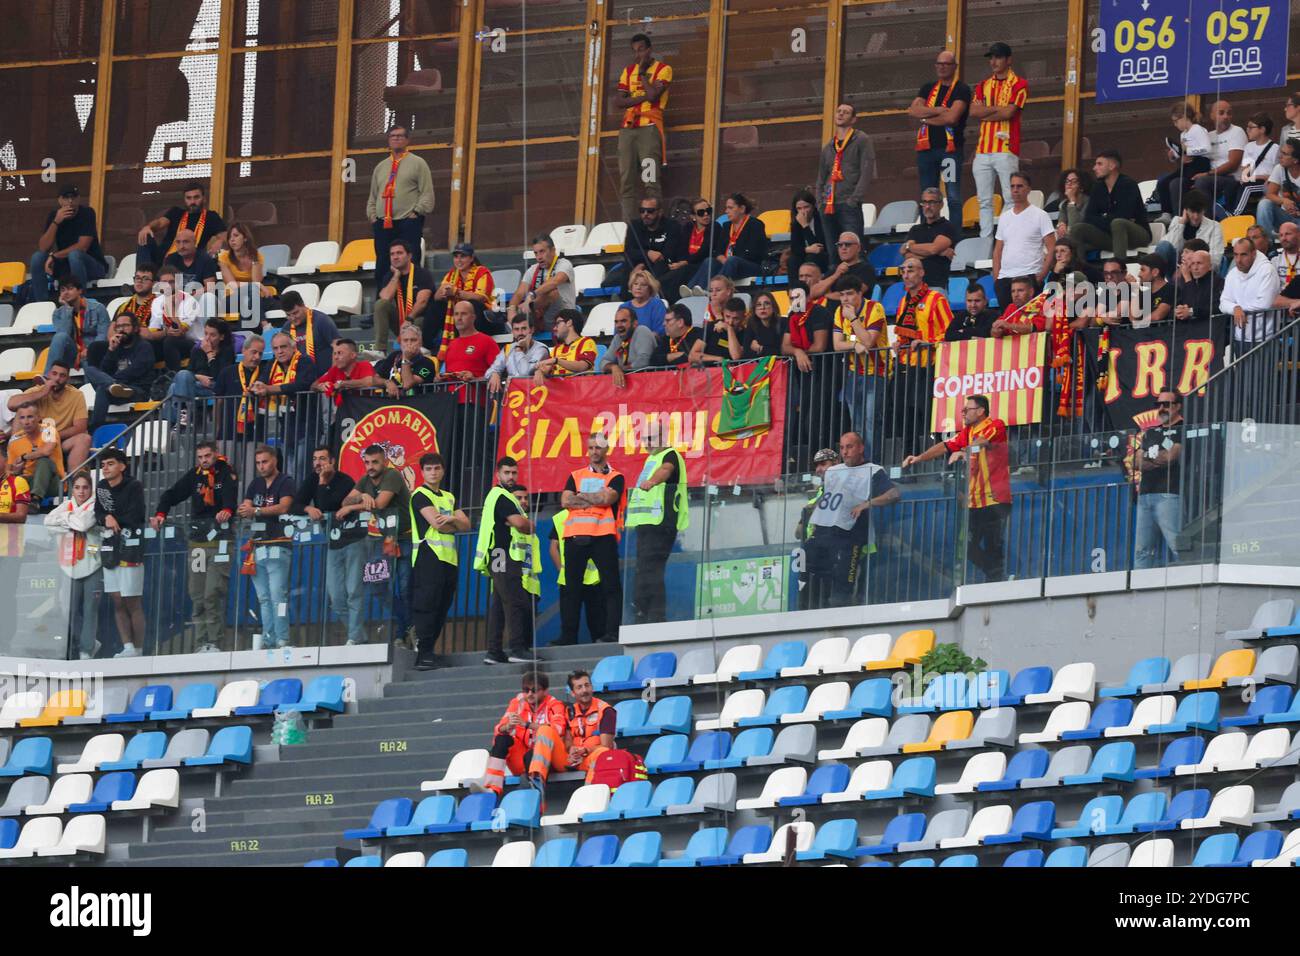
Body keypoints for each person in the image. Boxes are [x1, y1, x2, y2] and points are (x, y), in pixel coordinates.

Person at [903, 394, 1011, 582]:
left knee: (994, 547)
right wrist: (918, 458)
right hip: (973, 502)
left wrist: (963, 451)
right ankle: (996, 578)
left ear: (980, 411)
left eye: (966, 409)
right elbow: (945, 446)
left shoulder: (996, 425)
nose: (962, 413)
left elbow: (982, 442)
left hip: (995, 499)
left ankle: (995, 582)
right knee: (967, 548)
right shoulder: (967, 432)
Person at [151, 441, 237, 653]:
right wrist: (161, 513)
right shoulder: (194, 475)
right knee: (197, 594)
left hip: (221, 542)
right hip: (197, 542)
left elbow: (231, 498)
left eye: (207, 456)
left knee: (212, 592)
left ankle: (215, 642)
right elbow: (171, 494)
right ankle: (201, 643)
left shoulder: (226, 472)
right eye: (200, 457)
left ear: (215, 455)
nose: (204, 461)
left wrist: (226, 509)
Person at [805, 431, 899, 608]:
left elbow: (893, 494)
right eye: (841, 448)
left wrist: (867, 504)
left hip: (850, 537)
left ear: (861, 448)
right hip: (822, 533)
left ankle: (840, 624)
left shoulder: (874, 470)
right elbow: (825, 497)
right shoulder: (832, 471)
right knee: (808, 574)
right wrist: (813, 508)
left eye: (849, 447)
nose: (845, 452)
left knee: (843, 585)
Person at [292, 446, 366, 645]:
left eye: (322, 459)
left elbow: (331, 504)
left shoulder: (345, 481)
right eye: (315, 459)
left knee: (353, 592)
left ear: (332, 462)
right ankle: (359, 635)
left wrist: (323, 483)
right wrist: (307, 507)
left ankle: (354, 637)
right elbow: (294, 504)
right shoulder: (311, 479)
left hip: (354, 540)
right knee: (336, 596)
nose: (318, 463)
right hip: (333, 543)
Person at [474, 456, 542, 665]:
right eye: (507, 473)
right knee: (515, 600)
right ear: (498, 474)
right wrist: (529, 524)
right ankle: (517, 648)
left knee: (499, 604)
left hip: (496, 555)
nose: (511, 477)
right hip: (503, 554)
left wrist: (521, 523)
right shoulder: (502, 496)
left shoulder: (497, 496)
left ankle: (494, 651)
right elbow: (520, 523)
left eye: (514, 473)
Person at [559, 434, 625, 643]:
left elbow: (607, 499)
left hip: (603, 535)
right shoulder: (575, 474)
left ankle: (612, 633)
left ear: (606, 450)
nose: (594, 452)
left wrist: (580, 496)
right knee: (571, 589)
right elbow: (565, 501)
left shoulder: (616, 476)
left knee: (611, 587)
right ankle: (568, 637)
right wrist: (594, 497)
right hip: (574, 535)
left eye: (598, 448)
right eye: (590, 448)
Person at [344, 444, 411, 644]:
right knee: (377, 584)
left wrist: (355, 505)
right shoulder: (365, 480)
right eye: (367, 462)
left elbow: (380, 503)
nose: (371, 466)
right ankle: (407, 624)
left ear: (385, 462)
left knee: (406, 588)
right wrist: (360, 495)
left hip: (406, 538)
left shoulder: (393, 475)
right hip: (386, 540)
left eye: (375, 462)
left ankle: (403, 632)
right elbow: (344, 501)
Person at [408, 453, 469, 669]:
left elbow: (467, 525)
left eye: (437, 468)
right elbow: (437, 524)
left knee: (443, 605)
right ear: (422, 472)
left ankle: (429, 650)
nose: (433, 472)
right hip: (428, 556)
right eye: (429, 469)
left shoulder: (449, 497)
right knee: (427, 604)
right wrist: (454, 521)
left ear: (443, 470)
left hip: (449, 558)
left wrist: (452, 519)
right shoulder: (420, 495)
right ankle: (423, 652)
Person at [237, 445, 296, 650]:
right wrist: (249, 510)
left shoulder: (286, 482)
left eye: (265, 461)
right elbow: (245, 509)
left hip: (279, 544)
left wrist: (257, 511)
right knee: (263, 598)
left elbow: (284, 507)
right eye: (258, 463)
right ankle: (269, 638)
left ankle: (282, 638)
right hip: (258, 546)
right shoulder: (255, 484)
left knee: (278, 595)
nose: (261, 466)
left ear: (275, 461)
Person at [626, 437, 688, 626]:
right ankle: (643, 614)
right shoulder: (651, 458)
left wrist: (652, 481)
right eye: (645, 439)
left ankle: (654, 616)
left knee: (652, 570)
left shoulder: (669, 454)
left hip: (661, 522)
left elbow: (666, 470)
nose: (647, 442)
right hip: (646, 524)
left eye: (652, 438)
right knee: (644, 570)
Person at [969, 42, 1028, 239]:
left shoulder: (1019, 84)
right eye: (991, 57)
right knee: (984, 201)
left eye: (998, 57)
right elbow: (974, 111)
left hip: (1006, 148)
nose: (993, 61)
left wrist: (986, 112)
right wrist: (996, 111)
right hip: (983, 150)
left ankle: (1005, 237)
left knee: (1010, 197)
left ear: (1008, 59)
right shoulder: (982, 85)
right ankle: (986, 240)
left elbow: (1010, 112)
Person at [367, 124, 435, 295]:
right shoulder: (381, 167)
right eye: (392, 136)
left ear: (407, 140)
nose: (396, 139)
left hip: (408, 221)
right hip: (383, 223)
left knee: (411, 264)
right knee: (382, 264)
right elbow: (373, 195)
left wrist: (416, 213)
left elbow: (426, 193)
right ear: (388, 140)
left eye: (400, 136)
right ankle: (381, 303)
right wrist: (373, 216)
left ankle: (411, 300)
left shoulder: (418, 163)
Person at [480, 671, 569, 796]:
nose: (529, 694)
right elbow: (498, 729)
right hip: (524, 759)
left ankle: (535, 787)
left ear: (545, 691)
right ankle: (492, 789)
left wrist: (527, 724)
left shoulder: (555, 705)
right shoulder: (517, 703)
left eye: (534, 690)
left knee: (543, 735)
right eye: (526, 690)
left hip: (552, 761)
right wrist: (508, 726)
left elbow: (557, 730)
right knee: (502, 739)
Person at [614, 33, 672, 223]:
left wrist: (642, 74)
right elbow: (619, 102)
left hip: (649, 129)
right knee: (626, 181)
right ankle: (630, 227)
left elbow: (654, 96)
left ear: (649, 49)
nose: (638, 55)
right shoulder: (627, 70)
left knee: (650, 179)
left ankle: (654, 223)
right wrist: (644, 96)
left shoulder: (664, 69)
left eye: (641, 50)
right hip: (628, 129)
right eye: (635, 51)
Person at [95, 448, 147, 658]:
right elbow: (97, 512)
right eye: (103, 465)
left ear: (122, 466)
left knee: (131, 600)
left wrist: (114, 518)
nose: (105, 468)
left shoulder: (134, 486)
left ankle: (140, 649)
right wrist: (106, 517)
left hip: (131, 547)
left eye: (110, 464)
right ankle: (128, 647)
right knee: (116, 599)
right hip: (109, 546)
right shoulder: (100, 487)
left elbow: (136, 515)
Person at [44, 472, 102, 660]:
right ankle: (85, 642)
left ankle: (86, 649)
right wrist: (72, 517)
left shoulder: (94, 504)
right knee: (67, 609)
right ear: (72, 489)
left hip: (92, 563)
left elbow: (84, 524)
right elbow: (47, 522)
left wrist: (65, 519)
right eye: (77, 487)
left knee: (89, 608)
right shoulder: (67, 504)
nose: (81, 491)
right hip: (68, 565)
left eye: (85, 487)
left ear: (90, 489)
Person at [910, 49, 970, 220]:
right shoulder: (927, 88)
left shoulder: (961, 89)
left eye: (946, 64)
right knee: (927, 196)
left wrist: (925, 117)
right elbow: (914, 110)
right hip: (926, 151)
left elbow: (951, 117)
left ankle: (955, 236)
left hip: (949, 150)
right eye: (939, 63)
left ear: (954, 67)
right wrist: (937, 111)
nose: (942, 67)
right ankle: (927, 232)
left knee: (952, 195)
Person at [831, 275, 887, 457]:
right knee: (856, 423)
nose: (845, 299)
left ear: (860, 293)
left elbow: (869, 341)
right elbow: (837, 344)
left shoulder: (875, 308)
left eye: (849, 294)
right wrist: (854, 345)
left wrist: (854, 319)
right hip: (853, 373)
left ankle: (872, 463)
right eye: (842, 295)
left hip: (877, 371)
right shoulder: (839, 312)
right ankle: (858, 463)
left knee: (871, 422)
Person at [533, 669, 616, 784]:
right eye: (579, 687)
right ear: (572, 692)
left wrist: (586, 750)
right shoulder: (569, 710)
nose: (584, 690)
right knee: (544, 730)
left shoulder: (606, 710)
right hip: (570, 760)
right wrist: (571, 750)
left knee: (603, 752)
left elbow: (607, 745)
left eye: (587, 685)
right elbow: (567, 742)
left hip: (590, 758)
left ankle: (589, 793)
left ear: (592, 687)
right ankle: (537, 777)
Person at [27, 185, 108, 302]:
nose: (70, 201)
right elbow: (43, 247)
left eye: (73, 197)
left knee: (75, 255)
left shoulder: (87, 213)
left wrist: (54, 256)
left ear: (79, 199)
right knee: (37, 257)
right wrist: (56, 222)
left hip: (91, 265)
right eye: (66, 198)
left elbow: (82, 246)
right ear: (59, 200)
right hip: (66, 267)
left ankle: (80, 302)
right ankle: (41, 304)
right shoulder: (54, 215)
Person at [1133, 390, 1184, 569]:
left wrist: (1147, 458)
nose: (1161, 408)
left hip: (1169, 494)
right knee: (1141, 550)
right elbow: (1135, 462)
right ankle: (1140, 591)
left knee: (1177, 545)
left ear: (1178, 406)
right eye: (1158, 405)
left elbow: (1170, 458)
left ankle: (1186, 584)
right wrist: (1154, 460)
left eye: (1166, 404)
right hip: (1145, 494)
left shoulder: (1183, 428)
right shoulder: (1151, 432)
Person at [1069, 150, 1150, 262]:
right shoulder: (1098, 187)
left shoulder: (1128, 185)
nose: (1094, 168)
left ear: (1112, 166)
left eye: (1099, 164)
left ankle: (1118, 271)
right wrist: (1107, 219)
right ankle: (1076, 273)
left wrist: (1103, 218)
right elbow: (1088, 217)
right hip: (1110, 236)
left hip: (1136, 235)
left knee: (1118, 223)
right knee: (1077, 229)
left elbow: (1123, 216)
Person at [817, 104, 874, 261]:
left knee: (853, 250)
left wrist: (854, 200)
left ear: (854, 119)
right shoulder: (828, 146)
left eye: (846, 112)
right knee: (833, 252)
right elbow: (821, 177)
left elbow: (867, 170)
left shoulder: (861, 139)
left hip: (848, 203)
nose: (841, 114)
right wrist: (820, 202)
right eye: (839, 111)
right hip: (828, 205)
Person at [8, 363, 90, 472]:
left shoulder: (76, 395)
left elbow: (80, 427)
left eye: (62, 375)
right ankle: (15, 459)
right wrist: (43, 392)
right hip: (31, 439)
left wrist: (52, 437)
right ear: (48, 375)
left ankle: (75, 482)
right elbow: (11, 404)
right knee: (20, 410)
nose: (57, 378)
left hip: (60, 441)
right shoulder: (38, 390)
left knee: (84, 438)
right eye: (54, 374)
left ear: (68, 379)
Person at [991, 171, 1054, 307]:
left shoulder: (1040, 215)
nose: (1015, 190)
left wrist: (1041, 275)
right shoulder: (1004, 217)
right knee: (1006, 322)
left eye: (1019, 186)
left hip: (1030, 276)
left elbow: (1052, 248)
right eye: (1012, 186)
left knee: (1030, 322)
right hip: (1005, 279)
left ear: (1028, 189)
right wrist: (997, 279)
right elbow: (997, 251)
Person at [87, 311, 156, 430]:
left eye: (125, 326)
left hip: (137, 391)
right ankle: (97, 430)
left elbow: (136, 371)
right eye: (118, 326)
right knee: (90, 370)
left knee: (103, 388)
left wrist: (113, 382)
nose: (121, 329)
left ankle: (94, 429)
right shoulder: (116, 347)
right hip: (116, 390)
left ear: (135, 328)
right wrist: (111, 350)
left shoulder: (144, 347)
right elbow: (105, 370)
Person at [136, 181, 227, 267]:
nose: (192, 202)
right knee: (145, 235)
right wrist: (148, 227)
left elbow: (225, 236)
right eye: (189, 198)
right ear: (184, 199)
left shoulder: (211, 217)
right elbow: (160, 223)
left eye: (196, 197)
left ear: (204, 199)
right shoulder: (176, 212)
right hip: (162, 258)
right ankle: (144, 274)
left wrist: (220, 242)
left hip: (189, 262)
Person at [688, 193, 768, 289]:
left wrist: (729, 260)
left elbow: (754, 253)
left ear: (742, 209)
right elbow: (718, 251)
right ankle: (692, 289)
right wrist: (722, 258)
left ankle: (711, 289)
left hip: (749, 266)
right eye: (726, 208)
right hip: (729, 264)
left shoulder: (755, 225)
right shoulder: (726, 226)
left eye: (730, 208)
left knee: (733, 260)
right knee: (709, 261)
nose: (726, 211)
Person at [549, 506, 604, 645]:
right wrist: (562, 569)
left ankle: (593, 640)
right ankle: (571, 639)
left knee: (591, 617)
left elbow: (553, 547)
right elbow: (553, 547)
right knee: (575, 616)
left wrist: (562, 569)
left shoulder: (594, 513)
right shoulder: (563, 516)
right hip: (582, 576)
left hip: (591, 576)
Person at [429, 243, 494, 358]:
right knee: (437, 306)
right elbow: (436, 296)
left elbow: (480, 297)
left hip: (484, 316)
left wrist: (456, 293)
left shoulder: (482, 272)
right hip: (458, 314)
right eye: (456, 257)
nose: (458, 260)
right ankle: (427, 346)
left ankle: (471, 343)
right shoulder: (451, 275)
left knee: (472, 305)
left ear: (471, 258)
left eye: (463, 256)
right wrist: (444, 291)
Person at [372, 238, 435, 356]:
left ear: (409, 256)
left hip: (422, 321)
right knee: (380, 305)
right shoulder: (390, 276)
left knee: (418, 320)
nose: (395, 257)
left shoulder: (421, 273)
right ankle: (380, 350)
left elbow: (422, 302)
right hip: (402, 324)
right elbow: (385, 298)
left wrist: (409, 319)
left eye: (399, 253)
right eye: (392, 254)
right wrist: (396, 276)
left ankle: (420, 349)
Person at [794, 447, 840, 610]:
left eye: (823, 464)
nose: (819, 469)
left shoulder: (841, 487)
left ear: (836, 463)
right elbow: (798, 533)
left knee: (831, 597)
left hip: (833, 553)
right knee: (806, 597)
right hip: (811, 552)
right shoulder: (817, 495)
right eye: (817, 465)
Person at [166, 318, 236, 423]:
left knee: (174, 388)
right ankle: (183, 418)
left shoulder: (227, 352)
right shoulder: (197, 351)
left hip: (214, 388)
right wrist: (198, 377)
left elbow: (220, 377)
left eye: (212, 335)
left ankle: (174, 422)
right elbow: (189, 372)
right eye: (206, 333)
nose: (207, 338)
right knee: (175, 384)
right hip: (196, 386)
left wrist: (209, 353)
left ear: (221, 337)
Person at [439, 299, 500, 409]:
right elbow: (449, 373)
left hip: (476, 405)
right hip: (450, 404)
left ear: (473, 317)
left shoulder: (487, 341)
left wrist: (475, 379)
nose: (459, 318)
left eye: (463, 314)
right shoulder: (451, 344)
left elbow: (498, 373)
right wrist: (441, 378)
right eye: (456, 314)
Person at [508, 235, 575, 334]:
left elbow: (554, 282)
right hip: (538, 317)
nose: (539, 257)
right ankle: (517, 317)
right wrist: (511, 310)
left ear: (553, 250)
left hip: (564, 319)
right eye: (536, 253)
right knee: (514, 307)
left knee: (552, 292)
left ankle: (521, 313)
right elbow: (519, 293)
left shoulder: (564, 264)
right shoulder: (533, 269)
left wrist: (532, 296)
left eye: (542, 251)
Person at [1220, 237, 1281, 344]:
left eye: (1243, 255)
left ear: (1253, 254)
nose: (1238, 260)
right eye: (1236, 254)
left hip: (1266, 339)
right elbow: (1223, 303)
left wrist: (1238, 309)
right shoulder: (1232, 273)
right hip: (1239, 338)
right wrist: (1235, 308)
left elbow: (1264, 304)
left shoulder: (1268, 270)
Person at [1157, 100, 1213, 216]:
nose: (1175, 124)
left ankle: (1179, 213)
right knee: (1163, 182)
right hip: (1187, 165)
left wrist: (1189, 151)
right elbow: (1182, 152)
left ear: (1183, 117)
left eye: (1175, 121)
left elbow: (1207, 148)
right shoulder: (1183, 135)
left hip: (1200, 163)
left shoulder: (1197, 129)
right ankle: (1166, 213)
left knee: (1176, 183)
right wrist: (1174, 156)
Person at [46, 276, 111, 375]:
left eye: (70, 288)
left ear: (80, 291)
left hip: (94, 352)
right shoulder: (58, 314)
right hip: (72, 353)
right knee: (60, 337)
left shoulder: (98, 308)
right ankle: (48, 377)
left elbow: (103, 335)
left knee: (90, 361)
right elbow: (63, 335)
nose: (66, 293)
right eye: (63, 290)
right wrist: (67, 309)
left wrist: (90, 350)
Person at [144, 264, 202, 372]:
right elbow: (153, 333)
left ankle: (173, 375)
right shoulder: (157, 302)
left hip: (192, 344)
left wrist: (172, 306)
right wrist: (165, 332)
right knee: (146, 344)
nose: (168, 286)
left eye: (171, 282)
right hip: (168, 340)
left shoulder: (190, 300)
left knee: (170, 341)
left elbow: (179, 332)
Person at [1190, 99, 1246, 210]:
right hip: (1211, 178)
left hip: (1231, 178)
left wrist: (1207, 174)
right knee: (1177, 183)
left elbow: (1233, 164)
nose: (1226, 116)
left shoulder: (1237, 131)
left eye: (1229, 113)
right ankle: (1178, 219)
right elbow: (1195, 160)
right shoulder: (1208, 136)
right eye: (1221, 113)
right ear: (1212, 116)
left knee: (1202, 182)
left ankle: (1209, 221)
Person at [1219, 113, 1278, 217]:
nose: (1247, 130)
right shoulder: (1248, 147)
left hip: (1266, 183)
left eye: (1251, 127)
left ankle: (1234, 215)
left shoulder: (1275, 149)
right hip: (1251, 181)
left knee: (1247, 188)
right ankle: (1227, 209)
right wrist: (1245, 177)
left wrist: (1256, 177)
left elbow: (1276, 176)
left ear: (1262, 129)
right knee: (1232, 184)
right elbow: (1245, 170)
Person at [623, 196, 684, 296]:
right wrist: (647, 254)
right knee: (627, 266)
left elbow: (668, 254)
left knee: (663, 266)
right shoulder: (634, 226)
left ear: (660, 212)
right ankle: (625, 298)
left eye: (650, 211)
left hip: (663, 266)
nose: (645, 214)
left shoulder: (672, 226)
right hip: (639, 264)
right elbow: (628, 251)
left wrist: (643, 263)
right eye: (642, 211)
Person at [669, 199, 728, 299]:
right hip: (688, 263)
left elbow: (706, 249)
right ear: (693, 217)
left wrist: (686, 262)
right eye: (701, 213)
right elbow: (681, 249)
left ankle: (688, 292)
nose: (706, 215)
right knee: (673, 272)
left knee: (683, 271)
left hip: (702, 263)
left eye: (708, 211)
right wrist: (681, 262)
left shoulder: (714, 227)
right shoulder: (688, 227)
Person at [903, 187, 960, 289]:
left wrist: (910, 246)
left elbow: (933, 249)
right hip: (914, 288)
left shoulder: (947, 227)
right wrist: (939, 252)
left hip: (936, 287)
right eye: (924, 202)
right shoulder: (915, 229)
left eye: (932, 202)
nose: (927, 206)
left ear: (941, 205)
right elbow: (908, 256)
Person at [1154, 190, 1224, 273]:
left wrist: (1189, 266)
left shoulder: (1214, 226)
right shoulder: (1177, 221)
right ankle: (1152, 283)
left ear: (1204, 210)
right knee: (1163, 245)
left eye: (1199, 212)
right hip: (1176, 272)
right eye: (1192, 212)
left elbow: (1215, 260)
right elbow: (1168, 247)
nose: (1196, 216)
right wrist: (1181, 224)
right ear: (1186, 210)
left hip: (1200, 271)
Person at [362, 323, 438, 398]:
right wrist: (387, 382)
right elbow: (373, 379)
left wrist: (405, 358)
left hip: (417, 405)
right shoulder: (394, 356)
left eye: (413, 340)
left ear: (420, 343)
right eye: (405, 340)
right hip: (392, 405)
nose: (409, 343)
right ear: (401, 343)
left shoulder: (427, 362)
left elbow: (407, 384)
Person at [216, 334, 269, 441]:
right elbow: (218, 401)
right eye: (254, 352)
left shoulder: (265, 373)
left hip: (256, 433)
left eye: (260, 353)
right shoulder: (227, 372)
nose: (257, 357)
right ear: (244, 350)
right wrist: (217, 427)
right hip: (228, 432)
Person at [216, 221, 272, 322]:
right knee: (250, 296)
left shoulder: (257, 256)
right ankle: (265, 325)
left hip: (252, 298)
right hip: (230, 299)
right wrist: (256, 286)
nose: (232, 240)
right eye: (229, 237)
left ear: (245, 238)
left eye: (236, 236)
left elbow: (256, 281)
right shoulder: (223, 257)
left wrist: (254, 260)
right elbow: (231, 284)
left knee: (266, 300)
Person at [7, 404, 62, 503]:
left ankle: (35, 500)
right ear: (19, 421)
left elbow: (46, 451)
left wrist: (24, 457)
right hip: (28, 483)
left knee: (43, 460)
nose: (26, 422)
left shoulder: (48, 430)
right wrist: (16, 471)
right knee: (16, 480)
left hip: (53, 483)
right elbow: (9, 471)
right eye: (22, 418)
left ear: (38, 417)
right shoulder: (14, 440)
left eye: (30, 417)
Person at [279, 291, 341, 379]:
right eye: (288, 315)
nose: (292, 318)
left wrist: (330, 377)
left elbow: (339, 348)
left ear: (303, 305)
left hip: (325, 379)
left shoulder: (322, 321)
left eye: (295, 313)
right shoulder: (286, 327)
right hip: (300, 380)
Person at [486, 313, 549, 396]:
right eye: (516, 329)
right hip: (513, 397)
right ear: (512, 331)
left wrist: (519, 349)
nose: (520, 333)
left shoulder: (541, 349)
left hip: (534, 397)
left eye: (524, 328)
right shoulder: (508, 348)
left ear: (532, 329)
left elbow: (524, 373)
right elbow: (489, 372)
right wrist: (494, 373)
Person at [809, 231, 876, 303]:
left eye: (847, 244)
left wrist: (824, 295)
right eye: (840, 245)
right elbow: (813, 293)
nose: (843, 248)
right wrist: (836, 275)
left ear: (858, 248)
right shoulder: (835, 270)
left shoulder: (866, 269)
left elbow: (852, 295)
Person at [601, 306, 659, 388]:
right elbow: (603, 361)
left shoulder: (642, 331)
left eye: (623, 321)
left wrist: (621, 370)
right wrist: (614, 367)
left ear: (635, 323)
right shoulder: (617, 338)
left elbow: (643, 361)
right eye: (616, 322)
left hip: (650, 385)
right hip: (630, 387)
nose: (619, 325)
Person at [534, 308, 596, 383]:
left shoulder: (586, 342)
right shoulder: (557, 349)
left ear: (569, 322)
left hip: (581, 391)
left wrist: (557, 360)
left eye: (558, 323)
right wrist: (540, 371)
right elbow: (548, 368)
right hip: (561, 392)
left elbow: (582, 366)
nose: (554, 328)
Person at [311, 339, 377, 407]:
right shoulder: (334, 370)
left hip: (366, 412)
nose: (336, 357)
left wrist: (342, 383)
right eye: (334, 354)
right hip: (344, 414)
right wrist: (320, 386)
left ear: (353, 355)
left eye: (340, 353)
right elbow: (313, 385)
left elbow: (368, 382)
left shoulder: (364, 365)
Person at [1258, 138, 1300, 236]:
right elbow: (1270, 194)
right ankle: (1267, 244)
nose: (1280, 156)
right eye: (1281, 152)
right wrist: (1283, 201)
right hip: (1286, 218)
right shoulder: (1280, 168)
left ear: (1295, 160)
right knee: (1264, 204)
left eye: (1285, 154)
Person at [788, 189, 830, 279]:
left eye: (806, 207)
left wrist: (805, 225)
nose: (803, 211)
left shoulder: (821, 219)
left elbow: (819, 247)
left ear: (813, 206)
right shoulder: (796, 222)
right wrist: (808, 250)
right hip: (806, 254)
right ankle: (794, 289)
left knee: (812, 257)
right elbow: (795, 248)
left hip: (824, 257)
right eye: (799, 208)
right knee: (793, 260)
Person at [163, 228, 219, 293]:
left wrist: (188, 296)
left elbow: (210, 287)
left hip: (198, 297)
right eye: (178, 242)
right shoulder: (170, 259)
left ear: (195, 242)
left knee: (208, 297)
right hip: (176, 297)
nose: (181, 246)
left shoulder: (205, 259)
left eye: (186, 242)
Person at [732, 291, 784, 359]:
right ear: (754, 309)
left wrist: (761, 348)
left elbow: (782, 352)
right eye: (758, 305)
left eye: (767, 303)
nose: (763, 307)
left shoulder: (783, 322)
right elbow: (746, 353)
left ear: (773, 306)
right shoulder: (751, 324)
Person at [1173, 247, 1220, 322]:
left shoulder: (1218, 282)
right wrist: (1178, 311)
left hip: (1207, 328)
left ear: (1210, 266)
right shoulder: (1186, 281)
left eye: (1199, 263)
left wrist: (1191, 312)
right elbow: (1175, 306)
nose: (1195, 268)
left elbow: (1215, 307)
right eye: (1192, 264)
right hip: (1186, 329)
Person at [653, 302, 705, 366]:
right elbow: (653, 360)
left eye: (668, 320)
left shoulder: (698, 334)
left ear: (680, 322)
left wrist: (667, 358)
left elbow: (690, 357)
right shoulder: (667, 338)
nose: (663, 324)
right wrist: (676, 355)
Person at [702, 295, 746, 365]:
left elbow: (736, 356)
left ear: (743, 318)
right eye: (727, 317)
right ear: (723, 314)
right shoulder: (711, 327)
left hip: (732, 373)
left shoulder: (746, 334)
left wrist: (729, 329)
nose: (730, 322)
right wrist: (718, 359)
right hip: (709, 372)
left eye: (736, 318)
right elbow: (693, 356)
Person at [622, 269, 667, 335]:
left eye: (643, 285)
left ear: (650, 288)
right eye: (635, 284)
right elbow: (618, 333)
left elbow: (660, 331)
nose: (638, 287)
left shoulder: (657, 305)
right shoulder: (624, 307)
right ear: (631, 286)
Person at [1054, 167, 1093, 239]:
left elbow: (1075, 226)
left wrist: (1072, 201)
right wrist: (1061, 225)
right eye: (1067, 181)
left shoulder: (1089, 202)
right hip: (1068, 239)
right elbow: (1061, 222)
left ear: (1082, 186)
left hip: (1085, 240)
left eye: (1074, 181)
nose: (1069, 184)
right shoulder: (1064, 203)